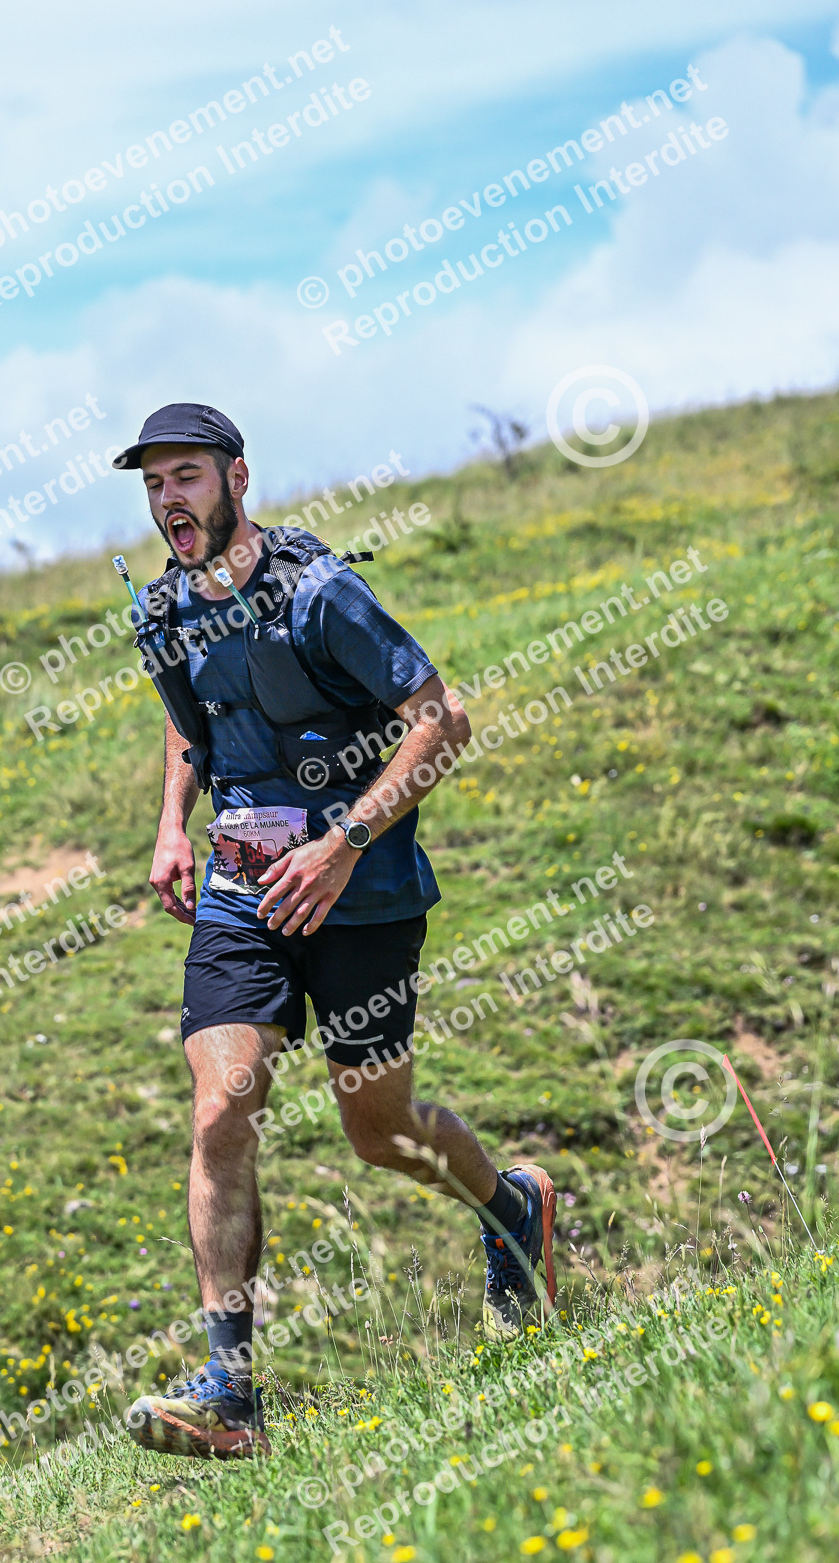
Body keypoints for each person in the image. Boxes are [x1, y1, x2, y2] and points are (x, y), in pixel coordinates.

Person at [113, 402, 555, 1459]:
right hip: (241, 893)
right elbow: (191, 721)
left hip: (362, 891)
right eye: (154, 484)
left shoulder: (318, 594)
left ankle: (513, 1210)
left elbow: (441, 721)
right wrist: (172, 823)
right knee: (221, 1105)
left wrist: (344, 842)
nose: (169, 499)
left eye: (186, 476)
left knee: (379, 1131)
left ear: (236, 479)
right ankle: (230, 1393)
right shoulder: (165, 610)